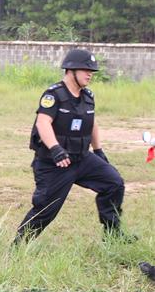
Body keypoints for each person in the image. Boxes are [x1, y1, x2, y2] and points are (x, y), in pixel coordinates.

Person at [13, 49, 133, 244]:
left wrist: (98, 151)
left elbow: (92, 123)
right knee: (46, 208)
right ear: (70, 70)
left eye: (91, 71)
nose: (90, 74)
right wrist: (56, 149)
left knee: (114, 183)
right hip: (55, 163)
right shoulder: (53, 95)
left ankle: (113, 235)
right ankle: (19, 246)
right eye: (86, 70)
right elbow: (43, 123)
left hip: (82, 158)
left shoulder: (88, 96)